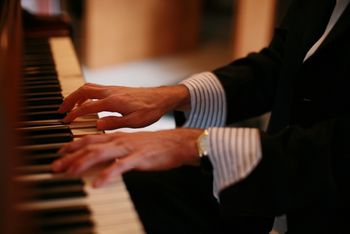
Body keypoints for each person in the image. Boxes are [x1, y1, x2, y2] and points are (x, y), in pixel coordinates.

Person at [52, 0, 350, 233]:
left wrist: (194, 144)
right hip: (271, 186)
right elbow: (281, 63)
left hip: (322, 197)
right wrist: (174, 95)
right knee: (116, 185)